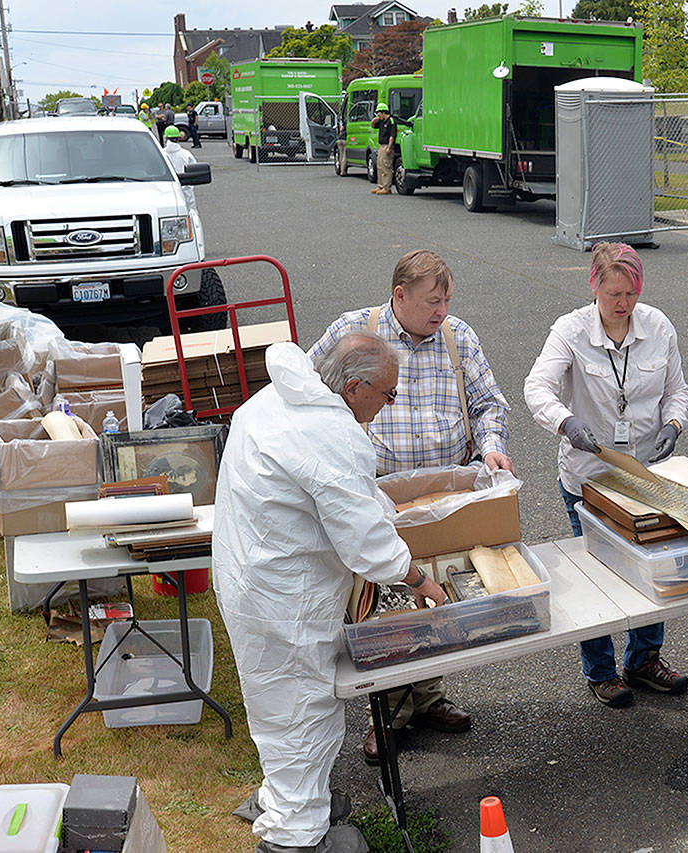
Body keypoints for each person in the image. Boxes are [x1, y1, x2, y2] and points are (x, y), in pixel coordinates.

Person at [214, 334, 447, 853]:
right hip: (284, 597)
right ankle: (294, 835)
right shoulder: (331, 433)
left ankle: (293, 797)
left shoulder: (274, 400)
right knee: (301, 709)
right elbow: (366, 542)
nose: (388, 406)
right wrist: (419, 580)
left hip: (250, 576)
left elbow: (340, 494)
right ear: (355, 386)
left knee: (275, 704)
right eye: (387, 395)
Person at [308, 248, 512, 764]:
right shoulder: (354, 332)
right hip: (374, 494)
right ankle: (387, 715)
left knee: (436, 592)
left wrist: (491, 445)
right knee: (382, 605)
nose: (441, 311)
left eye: (447, 301)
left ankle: (427, 697)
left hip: (443, 497)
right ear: (399, 295)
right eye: (431, 302)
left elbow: (489, 403)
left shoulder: (458, 336)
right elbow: (309, 396)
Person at [523, 242, 688, 707]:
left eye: (631, 294)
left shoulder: (658, 326)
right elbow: (536, 387)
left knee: (652, 562)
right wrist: (565, 422)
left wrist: (674, 424)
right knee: (595, 572)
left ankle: (644, 659)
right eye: (614, 293)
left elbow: (677, 391)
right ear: (594, 286)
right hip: (589, 476)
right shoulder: (571, 330)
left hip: (643, 472)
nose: (623, 304)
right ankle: (600, 670)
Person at [162, 126, 197, 206]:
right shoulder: (186, 154)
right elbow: (195, 172)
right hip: (186, 193)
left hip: (165, 193)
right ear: (178, 139)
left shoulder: (161, 154)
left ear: (165, 139)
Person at [369, 102, 395, 195]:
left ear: (383, 112)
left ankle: (387, 188)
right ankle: (380, 186)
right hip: (381, 146)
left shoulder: (391, 121)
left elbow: (392, 136)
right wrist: (374, 120)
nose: (378, 115)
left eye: (379, 113)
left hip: (387, 145)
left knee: (386, 166)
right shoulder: (381, 121)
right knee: (380, 166)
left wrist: (389, 147)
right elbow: (373, 126)